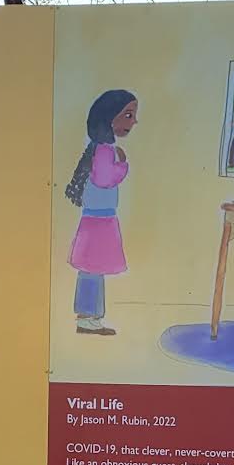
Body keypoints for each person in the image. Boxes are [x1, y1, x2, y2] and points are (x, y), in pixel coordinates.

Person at [64, 90, 138, 336]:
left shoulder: (98, 148)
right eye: (128, 115)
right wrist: (122, 166)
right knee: (92, 270)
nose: (133, 121)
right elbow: (105, 179)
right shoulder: (105, 150)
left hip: (96, 217)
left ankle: (90, 318)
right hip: (100, 218)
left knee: (92, 269)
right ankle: (88, 319)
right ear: (109, 117)